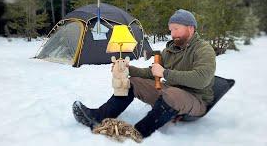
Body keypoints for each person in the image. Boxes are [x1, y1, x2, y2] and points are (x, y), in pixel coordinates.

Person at [72, 9, 216, 138]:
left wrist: (165, 73)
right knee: (133, 82)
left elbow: (202, 79)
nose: (172, 34)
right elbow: (152, 72)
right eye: (171, 30)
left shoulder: (203, 49)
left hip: (196, 99)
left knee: (172, 95)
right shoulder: (170, 50)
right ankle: (98, 117)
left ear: (190, 28)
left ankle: (139, 133)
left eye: (176, 29)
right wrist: (129, 69)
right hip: (170, 92)